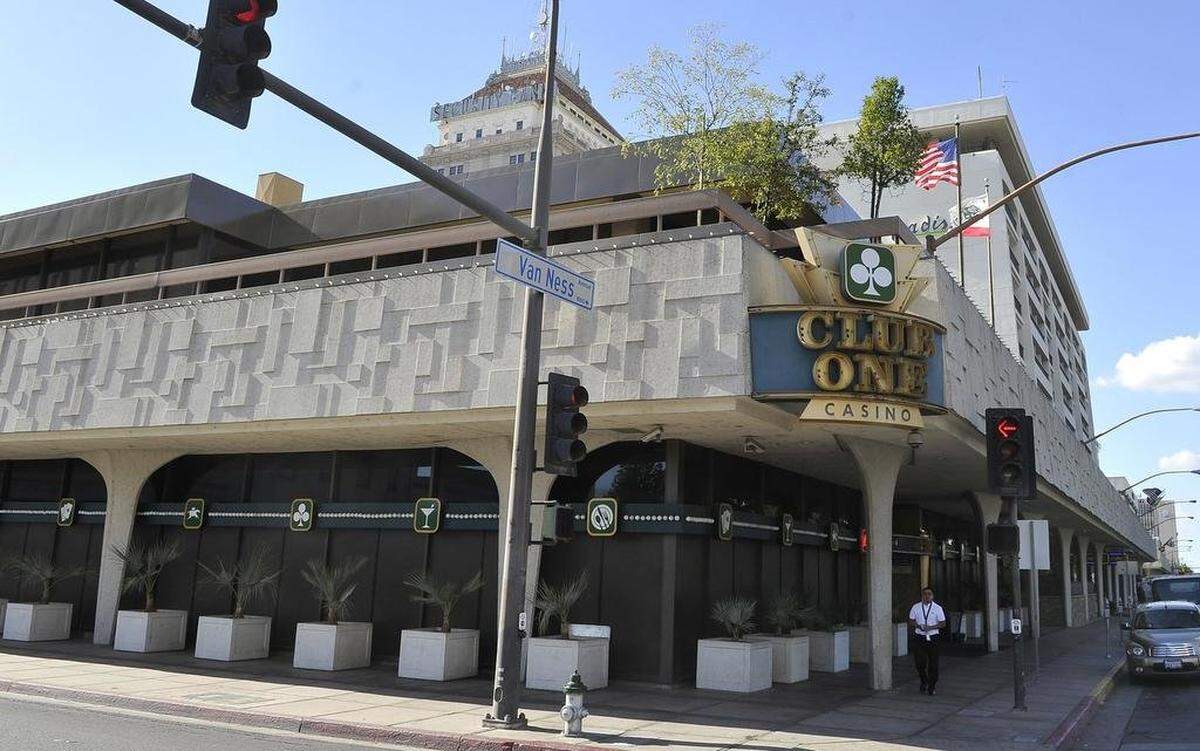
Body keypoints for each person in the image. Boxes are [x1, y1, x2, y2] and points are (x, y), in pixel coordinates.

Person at [908, 587, 946, 695]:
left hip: (933, 637)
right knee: (920, 662)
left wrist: (932, 627)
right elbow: (911, 621)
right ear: (922, 596)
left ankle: (932, 685)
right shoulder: (916, 607)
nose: (927, 596)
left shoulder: (937, 608)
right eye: (925, 594)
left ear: (932, 596)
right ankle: (924, 680)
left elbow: (943, 623)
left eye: (929, 594)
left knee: (933, 663)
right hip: (920, 637)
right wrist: (918, 625)